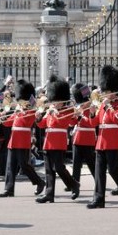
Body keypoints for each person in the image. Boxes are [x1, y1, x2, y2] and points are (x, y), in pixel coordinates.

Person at [87, 65, 118, 209]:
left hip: (113, 141)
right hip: (101, 141)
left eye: (107, 91)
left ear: (114, 91)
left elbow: (117, 120)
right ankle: (98, 199)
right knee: (99, 171)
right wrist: (92, 112)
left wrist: (109, 107)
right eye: (104, 91)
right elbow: (93, 123)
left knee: (113, 169)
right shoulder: (102, 105)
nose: (105, 94)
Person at [34, 75, 79, 203]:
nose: (54, 103)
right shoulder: (50, 110)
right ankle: (49, 194)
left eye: (56, 100)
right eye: (53, 100)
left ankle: (73, 184)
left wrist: (55, 113)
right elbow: (43, 124)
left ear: (62, 100)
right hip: (48, 142)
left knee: (59, 167)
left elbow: (63, 123)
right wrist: (38, 118)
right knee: (48, 169)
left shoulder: (68, 110)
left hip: (59, 142)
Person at [0, 80, 45, 198]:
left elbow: (26, 122)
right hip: (13, 140)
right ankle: (9, 189)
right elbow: (10, 123)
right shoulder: (19, 109)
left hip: (23, 141)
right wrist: (2, 118)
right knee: (10, 166)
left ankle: (39, 182)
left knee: (24, 166)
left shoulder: (31, 110)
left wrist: (22, 111)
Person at [70, 83, 96, 186]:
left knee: (91, 163)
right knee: (76, 163)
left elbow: (91, 122)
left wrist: (80, 116)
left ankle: (98, 181)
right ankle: (74, 183)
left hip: (88, 137)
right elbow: (72, 123)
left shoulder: (92, 106)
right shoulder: (79, 106)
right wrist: (74, 115)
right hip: (78, 138)